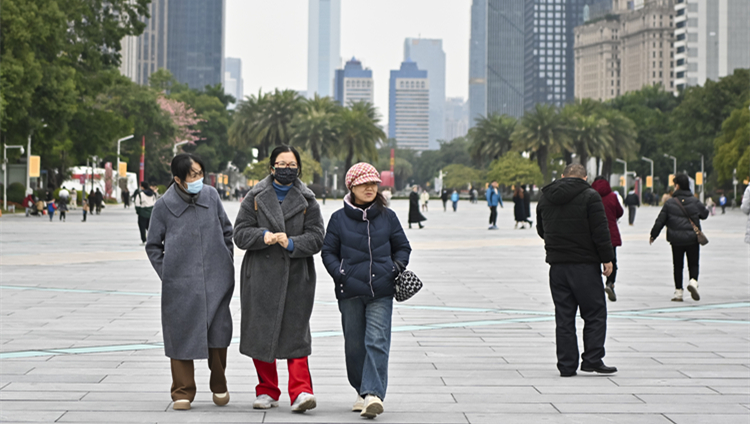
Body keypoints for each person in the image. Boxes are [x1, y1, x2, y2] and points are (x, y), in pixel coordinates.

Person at [233, 145, 324, 414]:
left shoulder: (308, 200)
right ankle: (266, 390)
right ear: (272, 167)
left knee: (296, 332)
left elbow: (318, 237)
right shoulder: (255, 196)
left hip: (296, 275)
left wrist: (293, 242)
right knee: (261, 331)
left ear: (298, 167)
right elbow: (239, 233)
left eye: (292, 164)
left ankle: (301, 391)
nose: (287, 169)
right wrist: (263, 236)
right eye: (281, 164)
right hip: (260, 274)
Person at [321, 163, 412, 419]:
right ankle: (361, 390)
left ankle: (373, 394)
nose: (370, 188)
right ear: (351, 187)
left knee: (377, 340)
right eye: (364, 184)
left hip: (381, 290)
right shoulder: (338, 219)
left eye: (373, 183)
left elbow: (403, 247)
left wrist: (394, 268)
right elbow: (328, 251)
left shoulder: (388, 216)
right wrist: (340, 273)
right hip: (349, 291)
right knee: (354, 346)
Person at [145, 153, 235, 411]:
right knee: (181, 334)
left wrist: (225, 261)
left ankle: (219, 383)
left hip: (217, 280)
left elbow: (227, 231)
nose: (198, 179)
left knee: (219, 333)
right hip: (181, 286)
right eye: (192, 175)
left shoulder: (212, 195)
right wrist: (169, 274)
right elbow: (153, 246)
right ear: (178, 179)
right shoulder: (163, 205)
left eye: (200, 173)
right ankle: (182, 391)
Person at [536, 164, 616, 377]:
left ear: (562, 176)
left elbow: (541, 230)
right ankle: (592, 359)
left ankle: (566, 365)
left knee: (564, 316)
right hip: (584, 265)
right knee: (595, 312)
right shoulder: (591, 196)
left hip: (557, 267)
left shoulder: (545, 197)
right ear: (585, 177)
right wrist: (607, 259)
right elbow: (600, 230)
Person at [649, 174, 709, 302]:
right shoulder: (694, 201)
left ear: (678, 186)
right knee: (693, 263)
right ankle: (693, 282)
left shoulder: (670, 203)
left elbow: (661, 220)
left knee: (678, 265)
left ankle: (678, 292)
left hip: (676, 239)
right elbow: (705, 214)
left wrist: (653, 234)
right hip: (692, 238)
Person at [592, 177, 624, 302]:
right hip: (610, 233)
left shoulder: (590, 196)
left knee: (594, 262)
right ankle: (610, 283)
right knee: (612, 261)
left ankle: (595, 287)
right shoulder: (612, 196)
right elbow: (619, 212)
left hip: (593, 234)